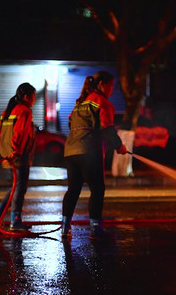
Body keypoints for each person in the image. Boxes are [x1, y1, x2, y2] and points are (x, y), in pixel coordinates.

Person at [61, 71, 129, 240]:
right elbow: (107, 129)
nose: (111, 90)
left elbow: (71, 122)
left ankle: (64, 227)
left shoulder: (79, 104)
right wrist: (119, 146)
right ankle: (96, 228)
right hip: (89, 152)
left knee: (73, 190)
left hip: (70, 152)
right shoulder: (103, 103)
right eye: (110, 86)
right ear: (101, 85)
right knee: (97, 189)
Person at [0, 82, 36, 231]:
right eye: (34, 97)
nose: (34, 100)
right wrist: (17, 150)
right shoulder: (25, 111)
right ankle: (15, 221)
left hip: (7, 155)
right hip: (18, 155)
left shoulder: (7, 112)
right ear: (27, 97)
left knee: (15, 186)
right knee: (20, 188)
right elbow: (20, 132)